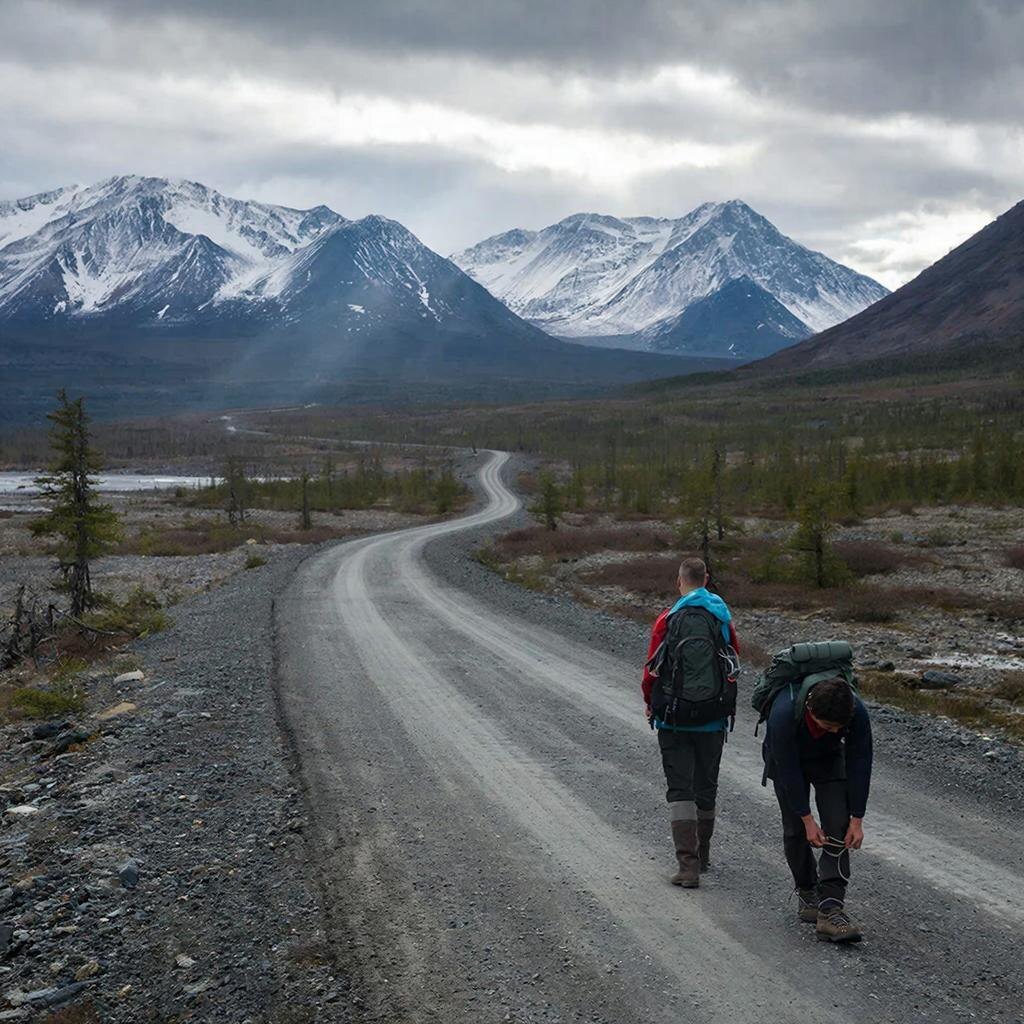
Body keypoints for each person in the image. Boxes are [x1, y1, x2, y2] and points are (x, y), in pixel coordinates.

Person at [641, 557, 739, 889]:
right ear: (707, 579)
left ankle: (688, 867)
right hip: (712, 719)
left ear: (679, 582)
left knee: (681, 790)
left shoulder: (668, 619)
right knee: (706, 787)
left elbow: (651, 670)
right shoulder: (722, 619)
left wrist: (650, 704)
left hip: (674, 719)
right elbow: (733, 665)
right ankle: (705, 855)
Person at [763, 676, 873, 942]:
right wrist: (807, 819)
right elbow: (788, 772)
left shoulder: (856, 712)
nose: (835, 731)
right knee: (795, 830)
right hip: (788, 760)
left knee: (837, 823)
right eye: (828, 726)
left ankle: (831, 908)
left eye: (840, 727)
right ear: (811, 711)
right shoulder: (784, 713)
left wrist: (857, 817)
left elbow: (861, 762)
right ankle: (807, 890)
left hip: (829, 759)